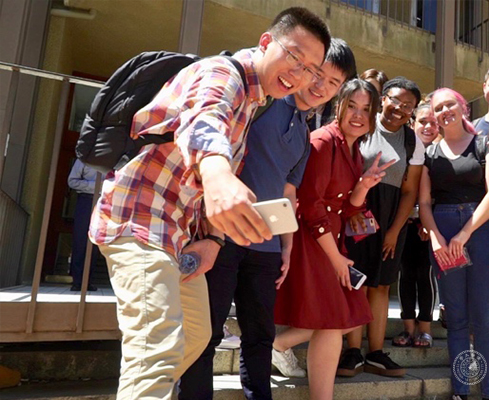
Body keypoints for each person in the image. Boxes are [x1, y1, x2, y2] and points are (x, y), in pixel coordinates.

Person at [88, 8, 331, 400]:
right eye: (294, 56)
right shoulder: (222, 73)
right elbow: (206, 119)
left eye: (310, 70)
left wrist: (214, 239)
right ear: (266, 43)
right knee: (157, 349)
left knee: (197, 333)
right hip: (139, 220)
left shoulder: (254, 102)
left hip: (179, 236)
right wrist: (217, 173)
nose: (298, 74)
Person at [179, 38, 356, 400]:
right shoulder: (263, 103)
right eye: (318, 74)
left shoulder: (305, 135)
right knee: (206, 332)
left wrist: (286, 246)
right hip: (221, 237)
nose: (321, 86)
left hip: (267, 246)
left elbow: (288, 193)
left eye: (334, 83)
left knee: (261, 335)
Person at [274, 78, 393, 400]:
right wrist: (335, 257)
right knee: (334, 319)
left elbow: (348, 208)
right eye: (352, 106)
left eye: (366, 109)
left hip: (330, 238)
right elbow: (311, 206)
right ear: (338, 106)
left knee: (342, 317)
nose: (358, 115)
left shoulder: (353, 148)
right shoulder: (323, 140)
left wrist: (363, 185)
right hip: (311, 239)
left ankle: (278, 345)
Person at [418, 88, 489, 400]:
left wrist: (465, 233)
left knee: (483, 320)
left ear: (462, 107)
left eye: (449, 104)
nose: (444, 111)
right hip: (442, 233)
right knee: (455, 319)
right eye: (438, 108)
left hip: (480, 231)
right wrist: (436, 238)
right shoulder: (429, 153)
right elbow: (424, 202)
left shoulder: (482, 145)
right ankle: (461, 391)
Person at [339, 77, 424, 378]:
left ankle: (375, 353)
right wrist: (350, 210)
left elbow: (410, 191)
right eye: (396, 101)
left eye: (408, 106)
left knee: (382, 284)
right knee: (356, 281)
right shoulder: (363, 124)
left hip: (391, 218)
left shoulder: (412, 141)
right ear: (383, 98)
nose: (400, 109)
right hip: (356, 213)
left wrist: (394, 231)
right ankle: (353, 351)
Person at [392, 103, 438, 348]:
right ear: (412, 123)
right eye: (423, 121)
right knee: (405, 274)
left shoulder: (442, 153)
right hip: (404, 222)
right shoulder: (404, 148)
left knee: (426, 275)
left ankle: (425, 329)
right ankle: (408, 327)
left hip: (431, 225)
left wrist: (428, 222)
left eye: (434, 122)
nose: (428, 127)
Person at [67, 158, 103, 291]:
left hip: (103, 201)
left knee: (95, 241)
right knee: (80, 240)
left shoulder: (113, 159)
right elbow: (72, 181)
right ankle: (77, 281)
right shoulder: (83, 159)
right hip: (85, 200)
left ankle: (88, 281)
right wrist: (95, 186)